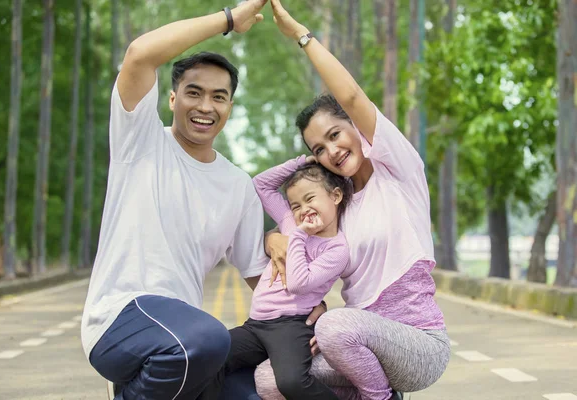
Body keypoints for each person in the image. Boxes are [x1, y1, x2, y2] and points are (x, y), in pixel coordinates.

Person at [79, 2, 324, 399]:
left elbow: (259, 274)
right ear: (173, 99)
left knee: (271, 386)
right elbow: (140, 54)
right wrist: (231, 20)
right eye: (194, 93)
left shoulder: (237, 185)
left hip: (183, 340)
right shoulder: (139, 142)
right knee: (210, 339)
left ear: (229, 107)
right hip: (120, 320)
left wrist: (308, 310)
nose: (206, 106)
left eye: (218, 97)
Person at [251, 1, 451, 399]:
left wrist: (301, 36)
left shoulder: (398, 172)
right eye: (318, 149)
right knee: (269, 380)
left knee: (335, 327)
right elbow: (298, 239)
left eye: (336, 134)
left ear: (355, 127)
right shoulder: (338, 206)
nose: (332, 150)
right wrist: (274, 239)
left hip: (417, 342)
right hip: (356, 341)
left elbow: (354, 96)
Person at [200, 159, 353, 400]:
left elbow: (298, 283)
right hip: (256, 324)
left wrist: (299, 235)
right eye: (295, 205)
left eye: (310, 199)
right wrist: (303, 161)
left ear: (335, 196)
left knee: (292, 382)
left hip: (291, 326)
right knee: (210, 358)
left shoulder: (337, 249)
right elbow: (261, 184)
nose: (303, 209)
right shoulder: (290, 222)